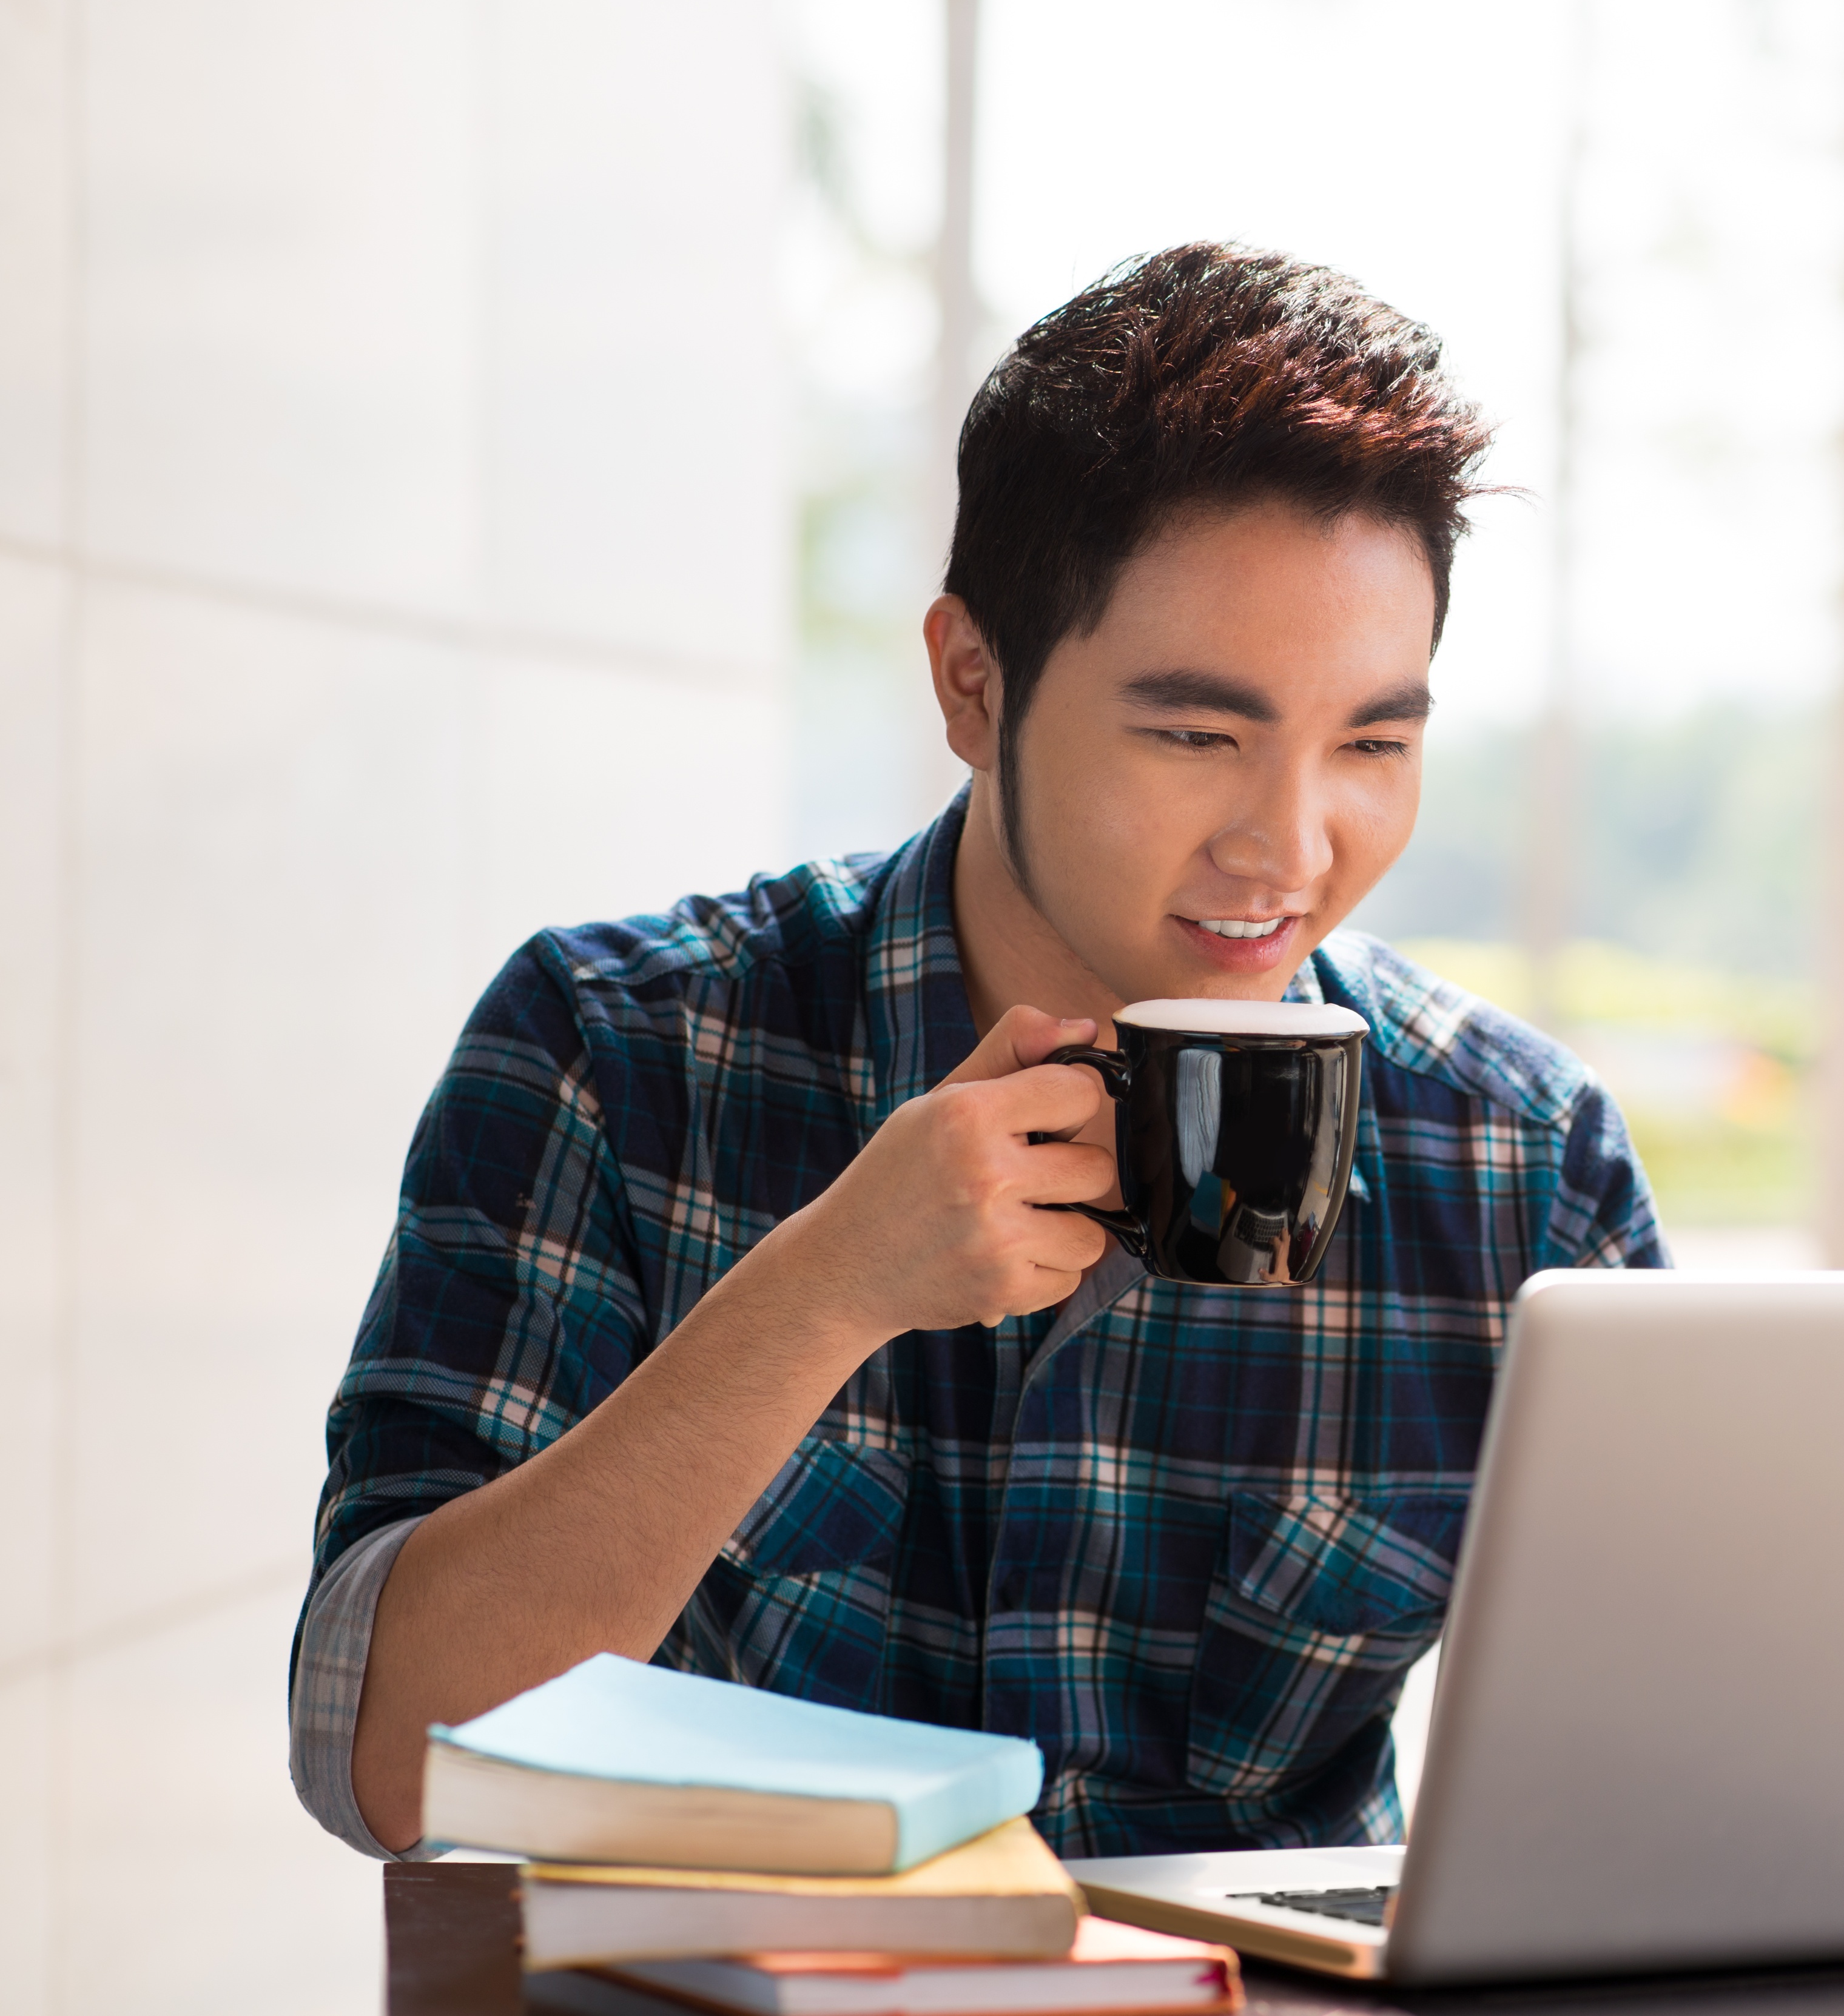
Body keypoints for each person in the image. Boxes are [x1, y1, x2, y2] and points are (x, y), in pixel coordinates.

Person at [292, 244, 1667, 1862]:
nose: (1289, 847)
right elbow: (390, 1764)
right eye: (1196, 735)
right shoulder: (614, 1053)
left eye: (1373, 741)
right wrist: (828, 1289)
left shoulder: (1519, 1164)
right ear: (971, 681)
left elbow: (1682, 1777)